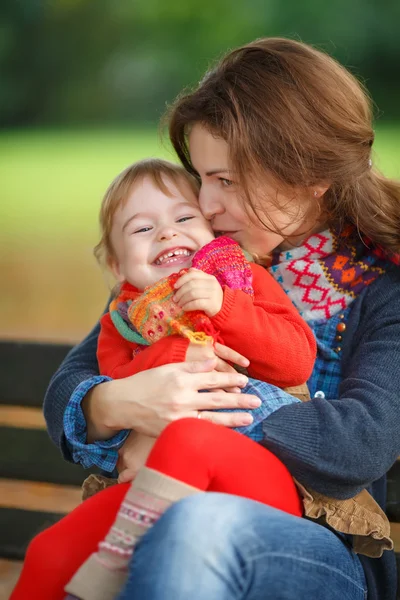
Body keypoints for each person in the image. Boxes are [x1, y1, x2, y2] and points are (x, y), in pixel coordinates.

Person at [15, 37, 400, 600]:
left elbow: (356, 445)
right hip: (164, 511)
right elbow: (68, 392)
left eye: (227, 179)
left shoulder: (382, 287)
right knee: (72, 548)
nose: (207, 203)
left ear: (310, 176)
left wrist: (199, 412)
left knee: (196, 527)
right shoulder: (193, 256)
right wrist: (120, 403)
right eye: (201, 176)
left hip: (317, 548)